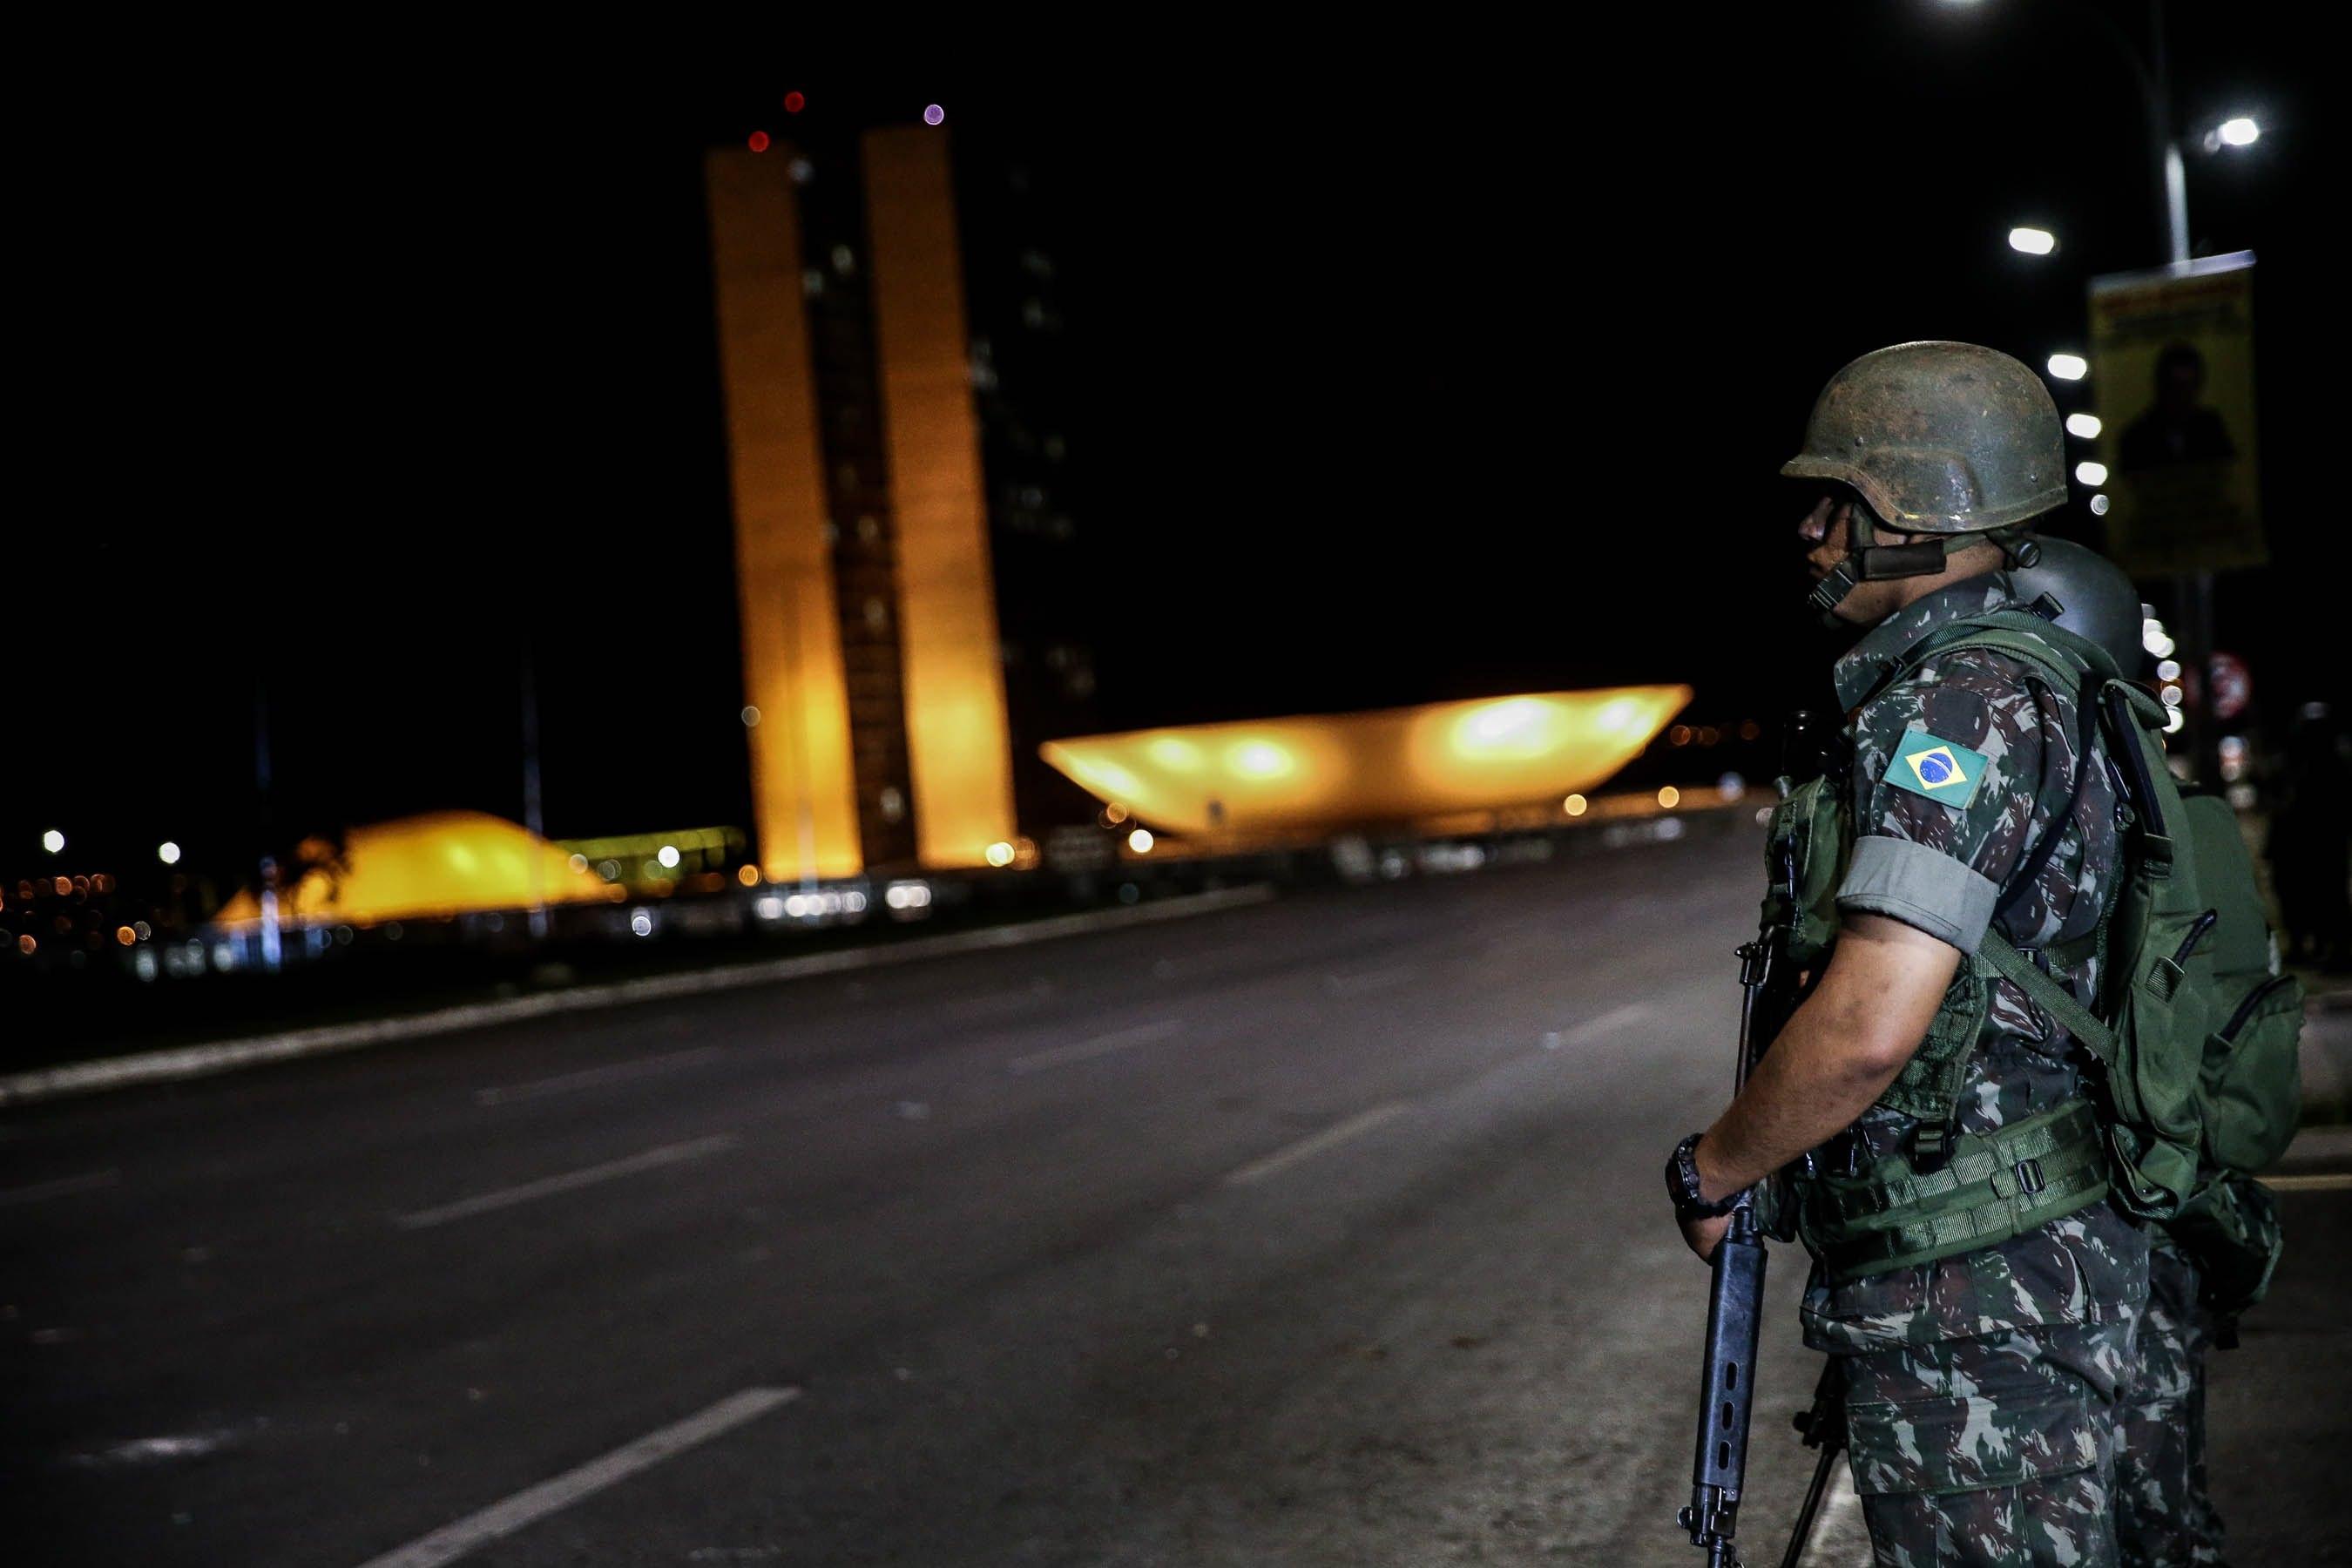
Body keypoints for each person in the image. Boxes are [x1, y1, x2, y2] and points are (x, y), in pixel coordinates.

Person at [1661, 341, 2222, 1565]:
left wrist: (1715, 1168)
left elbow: (1871, 1020)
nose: (1813, 533)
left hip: (1981, 1285)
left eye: (1840, 502)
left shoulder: (1954, 703)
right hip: (2076, 1240)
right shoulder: (2051, 676)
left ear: (1920, 506)